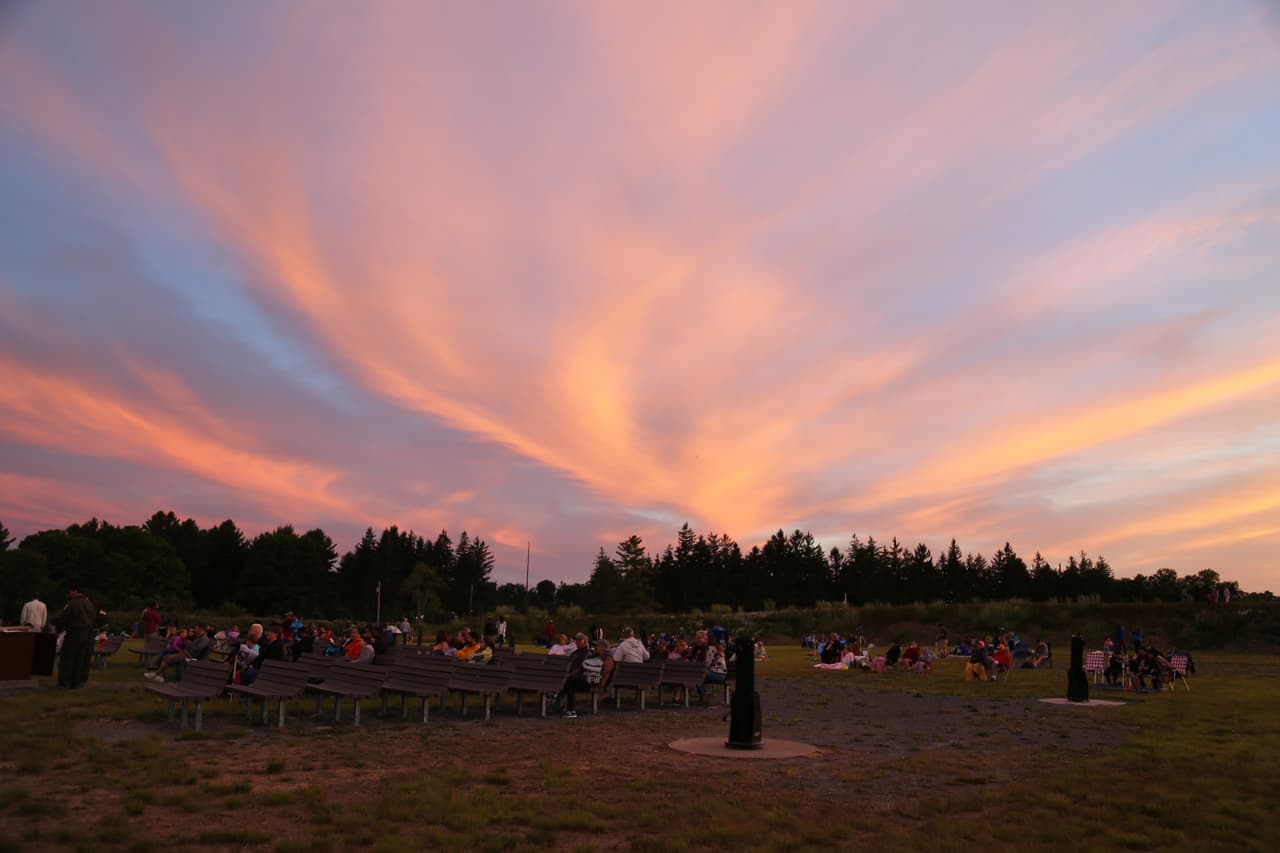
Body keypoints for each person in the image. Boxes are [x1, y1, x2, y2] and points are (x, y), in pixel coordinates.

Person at [56, 585, 98, 688]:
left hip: (74, 632)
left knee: (67, 657)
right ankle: (76, 682)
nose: (69, 594)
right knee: (80, 658)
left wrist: (59, 628)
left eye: (70, 592)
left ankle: (64, 681)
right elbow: (93, 618)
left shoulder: (72, 603)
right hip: (87, 634)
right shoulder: (89, 604)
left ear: (75, 591)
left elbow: (64, 618)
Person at [560, 633, 592, 718]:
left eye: (579, 640)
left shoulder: (587, 653)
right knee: (568, 681)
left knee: (570, 681)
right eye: (576, 640)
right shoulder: (575, 652)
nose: (577, 642)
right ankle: (560, 705)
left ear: (585, 641)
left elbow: (581, 668)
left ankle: (571, 710)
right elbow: (569, 664)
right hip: (573, 677)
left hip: (584, 679)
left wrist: (569, 675)